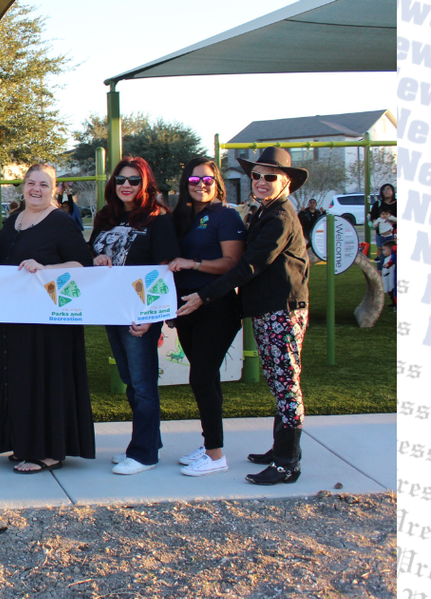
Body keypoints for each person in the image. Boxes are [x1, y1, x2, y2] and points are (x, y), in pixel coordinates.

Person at [177, 147, 310, 486]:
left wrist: (205, 295)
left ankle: (287, 463)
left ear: (286, 182)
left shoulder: (280, 217)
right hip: (267, 309)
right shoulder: (265, 211)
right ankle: (279, 450)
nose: (261, 181)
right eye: (256, 175)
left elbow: (249, 266)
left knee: (285, 384)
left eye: (270, 176)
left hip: (283, 310)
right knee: (278, 381)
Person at [0, 165, 94, 474]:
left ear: (54, 189)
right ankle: (24, 445)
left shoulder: (60, 222)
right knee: (18, 380)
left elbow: (82, 265)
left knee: (46, 381)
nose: (36, 189)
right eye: (31, 182)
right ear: (23, 186)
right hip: (14, 317)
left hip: (50, 321)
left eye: (44, 184)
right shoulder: (13, 221)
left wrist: (46, 268)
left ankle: (49, 452)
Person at [89, 156, 180, 476]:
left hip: (139, 312)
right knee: (130, 380)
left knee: (142, 384)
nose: (126, 185)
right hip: (111, 309)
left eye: (133, 180)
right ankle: (148, 442)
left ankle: (144, 454)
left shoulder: (158, 218)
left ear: (145, 184)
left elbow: (164, 269)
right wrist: (96, 257)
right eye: (121, 180)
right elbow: (89, 251)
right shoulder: (105, 217)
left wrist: (153, 316)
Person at [167, 157, 246, 477]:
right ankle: (210, 443)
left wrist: (193, 263)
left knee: (200, 378)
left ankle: (215, 456)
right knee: (208, 378)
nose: (201, 185)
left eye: (207, 180)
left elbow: (232, 262)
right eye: (194, 180)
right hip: (186, 307)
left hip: (216, 306)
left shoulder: (226, 215)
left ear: (217, 183)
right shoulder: (182, 216)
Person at [381, 240, 397, 310]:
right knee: (389, 291)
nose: (383, 252)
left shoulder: (392, 259)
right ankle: (393, 302)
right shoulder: (387, 258)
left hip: (391, 277)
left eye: (384, 250)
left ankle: (395, 303)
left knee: (392, 290)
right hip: (387, 277)